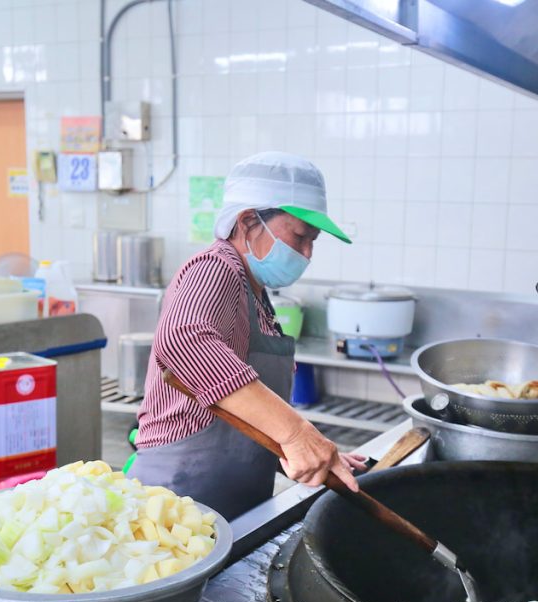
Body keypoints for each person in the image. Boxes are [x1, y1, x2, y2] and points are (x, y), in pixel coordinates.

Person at [128, 151, 366, 520]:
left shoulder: (255, 294)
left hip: (230, 506)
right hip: (175, 503)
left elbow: (238, 413)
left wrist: (308, 449)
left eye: (313, 241)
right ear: (249, 220)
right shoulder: (214, 268)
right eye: (300, 236)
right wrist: (295, 433)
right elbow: (184, 340)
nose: (306, 253)